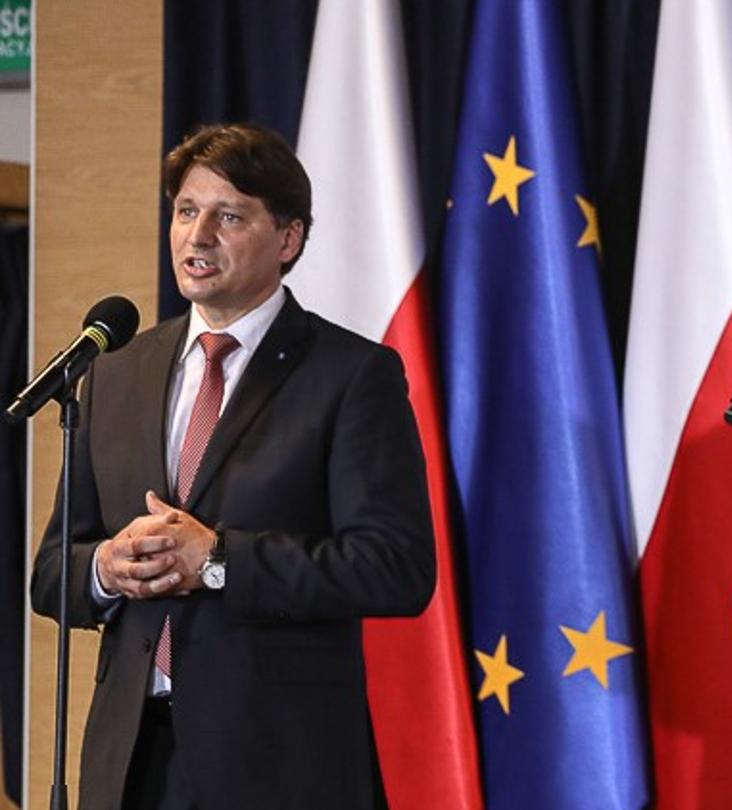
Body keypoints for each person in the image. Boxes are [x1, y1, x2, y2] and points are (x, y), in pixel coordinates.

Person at [30, 123, 435, 810]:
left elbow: (395, 568)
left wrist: (218, 559)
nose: (198, 235)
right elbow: (50, 572)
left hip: (278, 763)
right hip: (131, 762)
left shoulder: (350, 375)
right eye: (186, 212)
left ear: (288, 239)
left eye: (229, 215)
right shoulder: (116, 374)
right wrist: (107, 568)